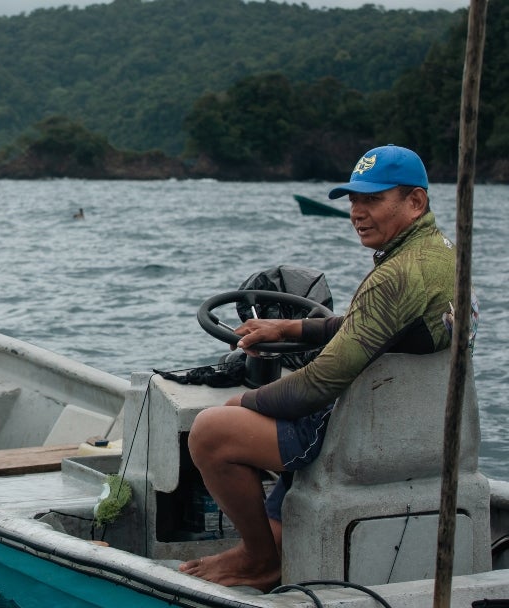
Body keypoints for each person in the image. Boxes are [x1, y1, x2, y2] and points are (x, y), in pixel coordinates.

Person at [178, 145, 457, 591]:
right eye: (354, 200)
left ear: (415, 202)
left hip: (361, 431)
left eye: (373, 199)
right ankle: (274, 536)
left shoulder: (394, 277)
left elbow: (318, 386)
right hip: (418, 429)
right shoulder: (440, 254)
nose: (357, 213)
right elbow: (376, 326)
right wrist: (288, 327)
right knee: (254, 419)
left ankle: (258, 560)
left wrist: (242, 402)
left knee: (213, 429)